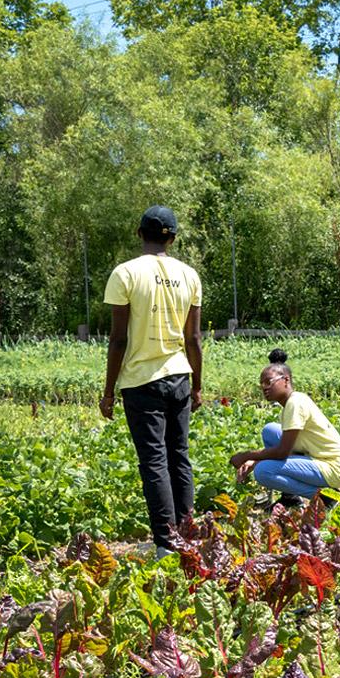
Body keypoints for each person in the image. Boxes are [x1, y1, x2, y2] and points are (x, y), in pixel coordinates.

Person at [101, 205, 203, 560]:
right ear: (172, 238)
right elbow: (194, 339)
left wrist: (109, 390)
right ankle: (187, 536)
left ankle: (165, 544)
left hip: (141, 381)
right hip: (179, 376)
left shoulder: (125, 274)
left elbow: (118, 340)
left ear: (138, 233)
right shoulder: (189, 276)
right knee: (179, 456)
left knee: (154, 461)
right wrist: (198, 384)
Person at [229, 349, 340, 506]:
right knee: (270, 431)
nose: (264, 388)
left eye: (269, 382)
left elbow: (282, 452)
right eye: (261, 384)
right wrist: (253, 460)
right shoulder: (290, 404)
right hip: (318, 458)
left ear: (286, 380)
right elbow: (287, 448)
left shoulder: (295, 403)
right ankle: (290, 497)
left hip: (334, 467)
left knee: (263, 471)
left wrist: (247, 456)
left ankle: (325, 499)